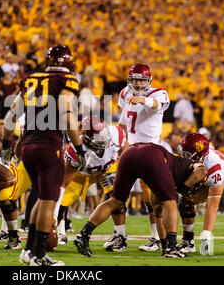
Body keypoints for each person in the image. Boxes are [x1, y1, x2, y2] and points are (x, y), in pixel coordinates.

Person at [1, 45, 85, 266]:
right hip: (49, 145)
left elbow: (11, 116)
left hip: (28, 145)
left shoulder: (31, 79)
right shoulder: (66, 81)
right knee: (49, 200)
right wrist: (79, 146)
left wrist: (5, 143)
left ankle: (29, 251)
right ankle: (38, 255)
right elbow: (67, 114)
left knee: (40, 197)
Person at [73, 142, 207, 258]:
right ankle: (172, 249)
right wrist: (183, 190)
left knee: (116, 200)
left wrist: (164, 244)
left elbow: (158, 215)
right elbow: (202, 169)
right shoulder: (189, 165)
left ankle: (83, 235)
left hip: (129, 153)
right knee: (170, 202)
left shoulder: (165, 175)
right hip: (152, 155)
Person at [113, 63, 170, 253]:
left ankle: (155, 236)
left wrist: (142, 100)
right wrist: (120, 136)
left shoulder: (158, 93)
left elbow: (155, 105)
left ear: (149, 80)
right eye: (134, 79)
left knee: (150, 195)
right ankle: (119, 234)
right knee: (119, 192)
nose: (137, 83)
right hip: (131, 149)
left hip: (150, 150)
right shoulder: (124, 94)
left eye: (141, 79)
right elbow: (125, 118)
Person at [57, 116, 127, 246]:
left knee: (117, 198)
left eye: (103, 133)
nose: (103, 138)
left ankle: (120, 234)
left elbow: (126, 155)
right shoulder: (75, 150)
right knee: (61, 200)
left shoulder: (115, 133)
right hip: (80, 175)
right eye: (98, 136)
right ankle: (59, 232)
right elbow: (62, 183)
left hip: (107, 168)